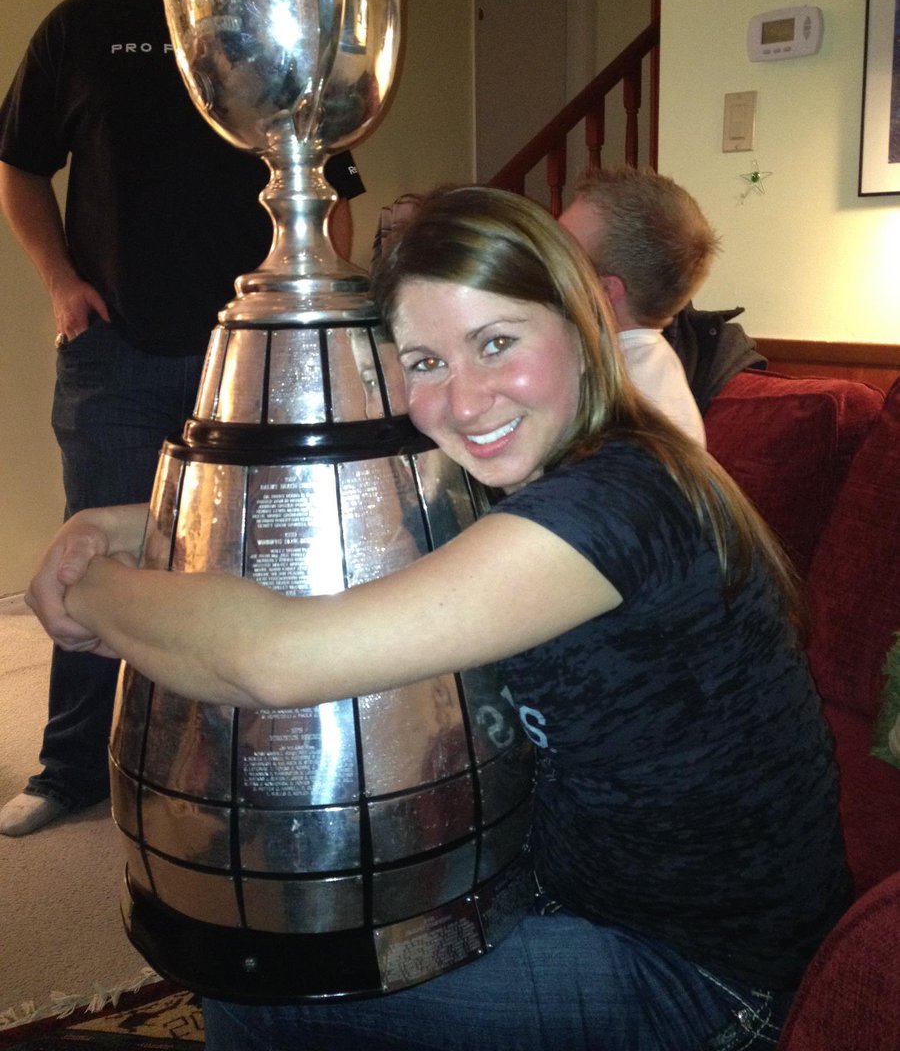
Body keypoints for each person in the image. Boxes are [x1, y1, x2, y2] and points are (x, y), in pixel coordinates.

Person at [27, 185, 850, 1050]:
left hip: (708, 978)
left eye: (497, 343)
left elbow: (273, 660)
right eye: (425, 362)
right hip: (578, 888)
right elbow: (334, 522)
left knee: (263, 988)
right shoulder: (541, 468)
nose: (466, 401)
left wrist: (87, 591)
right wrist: (127, 524)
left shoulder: (620, 502)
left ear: (584, 325)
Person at [0, 0, 363, 838]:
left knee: (243, 554)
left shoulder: (273, 30)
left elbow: (335, 194)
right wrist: (59, 284)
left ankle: (226, 757)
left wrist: (329, 322)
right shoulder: (83, 25)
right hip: (120, 350)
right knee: (96, 563)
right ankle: (71, 764)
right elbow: (20, 166)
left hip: (255, 359)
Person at [558, 165, 718, 445]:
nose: (542, 258)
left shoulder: (616, 400)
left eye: (560, 251)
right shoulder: (648, 364)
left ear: (605, 291)